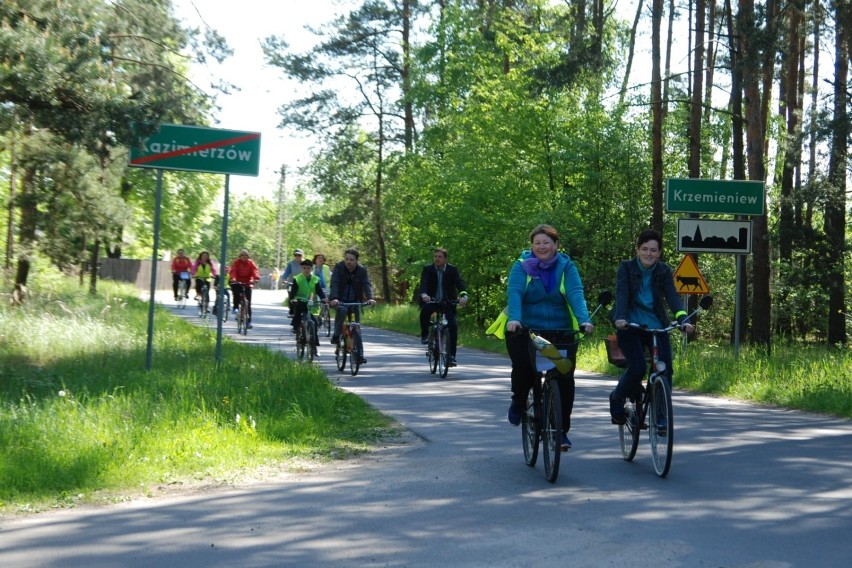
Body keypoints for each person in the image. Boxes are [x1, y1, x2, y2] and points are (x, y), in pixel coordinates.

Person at [502, 224, 594, 451]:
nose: (542, 247)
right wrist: (514, 319)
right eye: (537, 243)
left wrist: (584, 319)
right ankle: (519, 399)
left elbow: (575, 293)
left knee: (563, 375)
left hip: (558, 330)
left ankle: (561, 431)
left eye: (546, 243)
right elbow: (514, 293)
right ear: (531, 246)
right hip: (526, 329)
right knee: (524, 368)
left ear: (556, 245)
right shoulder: (522, 266)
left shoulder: (566, 267)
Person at [608, 229, 694, 425]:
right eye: (645, 249)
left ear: (659, 252)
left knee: (665, 369)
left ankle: (661, 416)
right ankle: (617, 397)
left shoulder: (663, 271)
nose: (649, 253)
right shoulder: (627, 268)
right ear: (637, 250)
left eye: (653, 250)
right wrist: (620, 318)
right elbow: (621, 294)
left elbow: (673, 297)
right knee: (638, 367)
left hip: (657, 326)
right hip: (630, 325)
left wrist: (683, 319)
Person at [418, 247, 469, 367]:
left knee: (453, 326)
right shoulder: (428, 269)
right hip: (432, 300)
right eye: (435, 256)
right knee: (425, 311)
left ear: (445, 258)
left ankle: (451, 357)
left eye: (440, 257)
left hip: (447, 302)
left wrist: (464, 295)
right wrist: (424, 294)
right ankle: (425, 334)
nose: (437, 259)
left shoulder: (452, 270)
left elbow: (460, 283)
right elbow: (423, 283)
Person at [329, 248, 376, 364]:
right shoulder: (339, 268)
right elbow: (334, 283)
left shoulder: (362, 271)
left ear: (356, 261)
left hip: (355, 301)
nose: (349, 262)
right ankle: (336, 335)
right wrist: (334, 298)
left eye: (352, 260)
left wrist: (370, 298)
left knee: (356, 327)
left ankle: (359, 355)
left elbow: (366, 284)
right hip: (340, 300)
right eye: (347, 259)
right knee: (343, 311)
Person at [289, 259, 326, 356]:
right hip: (300, 301)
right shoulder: (297, 278)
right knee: (299, 311)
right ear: (301, 268)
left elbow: (319, 291)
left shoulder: (315, 279)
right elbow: (293, 291)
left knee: (313, 323)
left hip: (310, 302)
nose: (306, 270)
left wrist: (324, 298)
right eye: (304, 268)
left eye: (308, 268)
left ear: (311, 269)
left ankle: (314, 347)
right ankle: (296, 326)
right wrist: (292, 299)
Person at [229, 249, 261, 329]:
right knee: (236, 293)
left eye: (246, 255)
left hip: (247, 282)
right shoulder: (236, 262)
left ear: (248, 256)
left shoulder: (250, 263)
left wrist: (256, 278)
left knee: (248, 303)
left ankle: (248, 322)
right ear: (240, 256)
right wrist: (233, 278)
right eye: (243, 255)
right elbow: (233, 271)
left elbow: (254, 270)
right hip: (238, 281)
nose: (244, 257)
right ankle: (235, 307)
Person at [282, 249, 305, 316]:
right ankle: (291, 311)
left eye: (299, 255)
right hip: (292, 282)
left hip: (303, 282)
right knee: (291, 294)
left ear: (302, 255)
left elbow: (310, 272)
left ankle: (305, 310)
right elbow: (286, 272)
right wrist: (284, 279)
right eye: (295, 255)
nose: (297, 256)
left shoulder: (305, 262)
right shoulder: (291, 264)